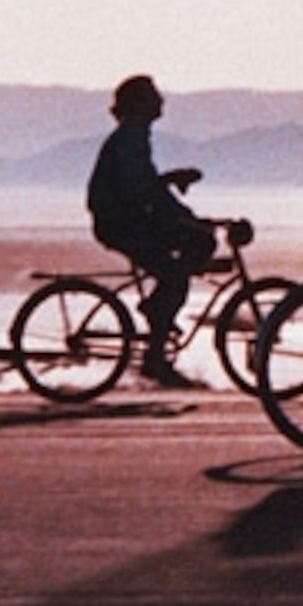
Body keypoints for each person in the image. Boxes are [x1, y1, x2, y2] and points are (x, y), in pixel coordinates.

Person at [85, 74, 215, 387]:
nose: (162, 101)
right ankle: (155, 350)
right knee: (176, 273)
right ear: (141, 104)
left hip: (128, 219)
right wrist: (180, 210)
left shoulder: (135, 135)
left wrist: (180, 207)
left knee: (197, 245)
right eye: (154, 96)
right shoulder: (131, 137)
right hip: (122, 223)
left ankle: (158, 313)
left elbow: (147, 188)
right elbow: (141, 191)